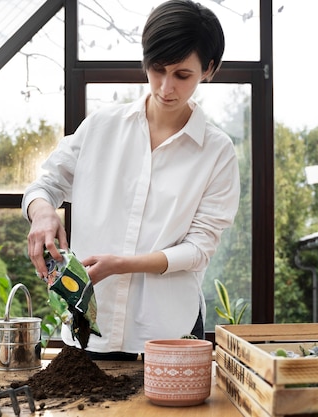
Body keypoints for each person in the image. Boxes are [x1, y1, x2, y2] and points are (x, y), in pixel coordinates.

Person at [22, 0, 240, 359]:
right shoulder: (101, 127)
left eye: (182, 75)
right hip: (91, 329)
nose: (166, 87)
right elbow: (44, 185)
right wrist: (42, 211)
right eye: (157, 69)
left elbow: (199, 249)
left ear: (209, 69)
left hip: (168, 332)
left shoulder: (216, 152)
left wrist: (124, 264)